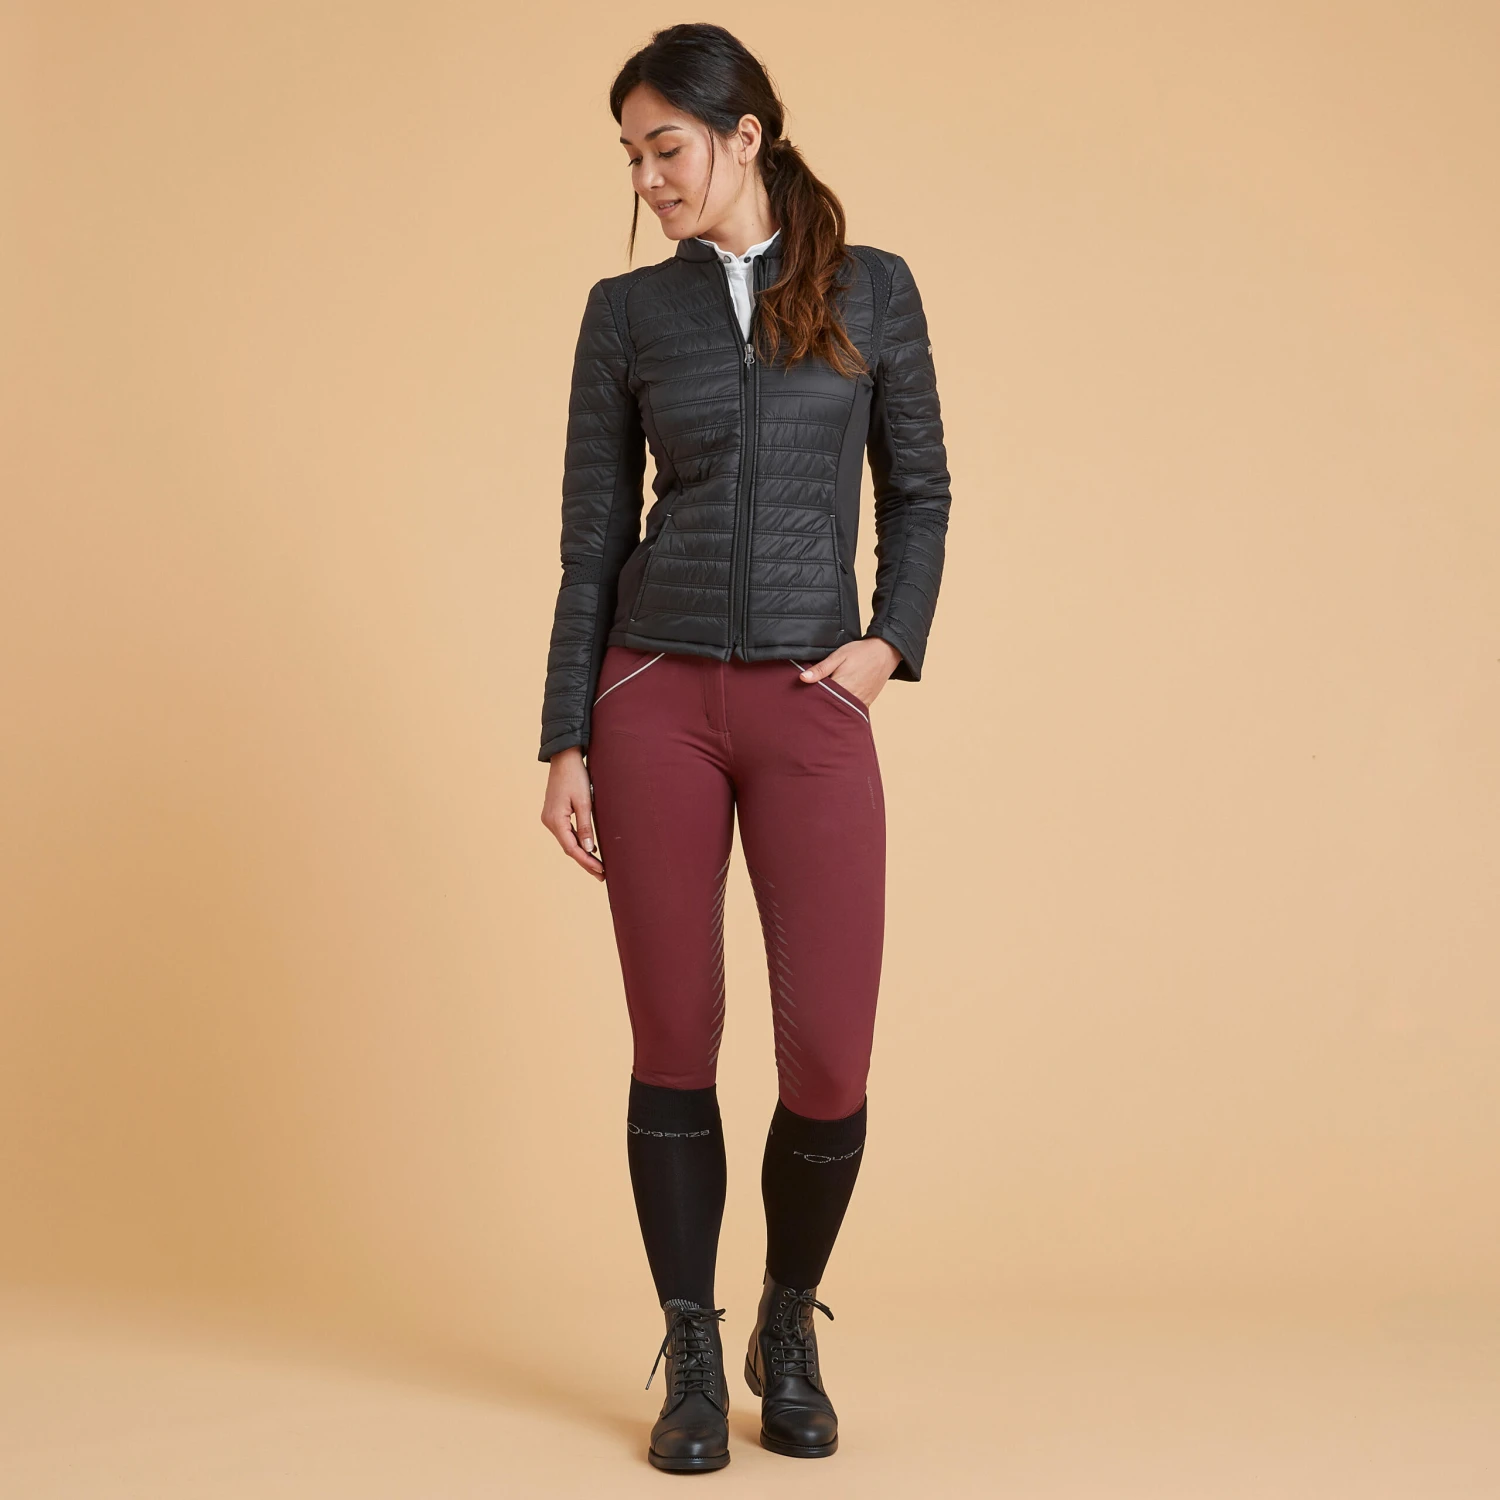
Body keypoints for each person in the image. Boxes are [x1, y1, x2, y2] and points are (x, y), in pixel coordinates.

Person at [537, 22, 951, 1473]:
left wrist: (889, 642)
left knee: (829, 1053)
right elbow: (593, 536)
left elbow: (923, 487)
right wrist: (564, 738)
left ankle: (786, 1320)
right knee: (674, 1038)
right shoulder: (625, 313)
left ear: (745, 135)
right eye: (631, 155)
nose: (647, 178)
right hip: (652, 697)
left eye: (667, 147)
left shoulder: (871, 290)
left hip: (807, 705)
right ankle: (694, 1350)